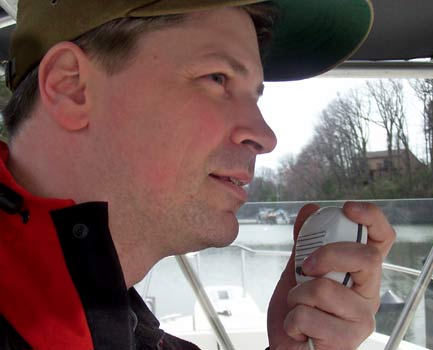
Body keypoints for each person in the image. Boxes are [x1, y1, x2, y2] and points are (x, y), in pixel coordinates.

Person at [0, 0, 395, 349]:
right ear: (71, 87)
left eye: (254, 95)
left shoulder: (116, 322)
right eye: (218, 78)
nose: (265, 136)